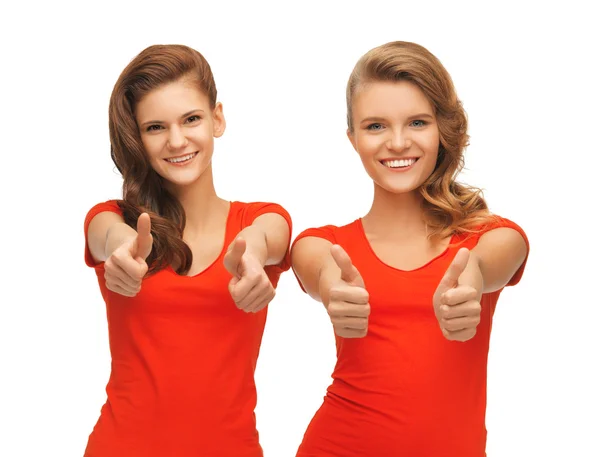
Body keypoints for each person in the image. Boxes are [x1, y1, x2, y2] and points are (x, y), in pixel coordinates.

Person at [291, 41, 529, 457]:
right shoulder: (323, 244)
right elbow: (319, 269)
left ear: (443, 128)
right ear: (352, 138)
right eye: (375, 126)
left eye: (417, 122)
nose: (397, 143)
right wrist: (333, 290)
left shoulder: (491, 237)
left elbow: (492, 261)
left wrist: (471, 280)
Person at [83, 44, 291, 457]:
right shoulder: (114, 219)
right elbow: (105, 236)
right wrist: (122, 249)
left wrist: (252, 253)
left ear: (217, 118)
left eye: (191, 119)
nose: (177, 141)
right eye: (155, 127)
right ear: (137, 138)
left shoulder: (264, 218)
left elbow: (268, 236)